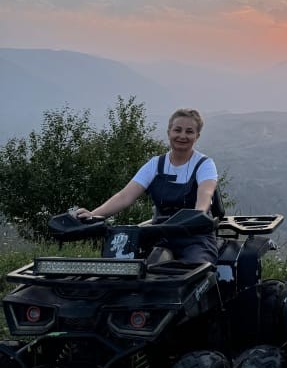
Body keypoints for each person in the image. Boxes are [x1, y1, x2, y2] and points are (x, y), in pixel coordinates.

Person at [75, 107, 219, 263]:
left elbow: (205, 195)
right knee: (135, 272)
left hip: (196, 238)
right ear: (169, 132)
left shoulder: (205, 165)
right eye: (177, 130)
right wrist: (94, 216)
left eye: (189, 132)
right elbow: (124, 196)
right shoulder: (155, 164)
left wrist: (197, 215)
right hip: (159, 236)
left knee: (197, 272)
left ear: (197, 135)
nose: (182, 136)